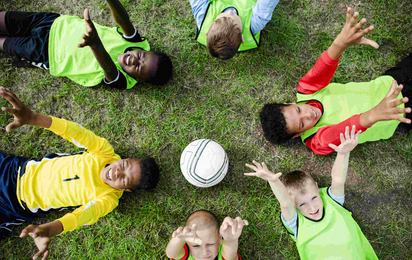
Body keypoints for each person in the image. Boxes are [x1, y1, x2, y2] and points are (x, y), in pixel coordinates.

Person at [0, 87, 160, 259]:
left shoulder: (108, 199)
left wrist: (49, 229)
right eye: (123, 165)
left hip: (13, 204)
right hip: (13, 169)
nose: (116, 173)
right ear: (124, 158)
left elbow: (79, 218)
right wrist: (34, 118)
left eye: (124, 179)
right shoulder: (104, 151)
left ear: (126, 190)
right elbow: (72, 131)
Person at [259, 8, 412, 155]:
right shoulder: (316, 141)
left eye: (298, 110)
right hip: (399, 115)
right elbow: (343, 130)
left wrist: (340, 42)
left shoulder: (306, 91)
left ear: (290, 103)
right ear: (297, 135)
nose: (308, 115)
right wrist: (374, 114)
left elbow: (323, 67)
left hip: (392, 83)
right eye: (302, 124)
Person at [245, 126, 378, 259]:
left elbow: (338, 180)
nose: (312, 207)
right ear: (294, 204)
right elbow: (285, 203)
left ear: (317, 187)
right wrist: (273, 181)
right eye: (302, 205)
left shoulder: (332, 201)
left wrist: (343, 153)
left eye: (314, 198)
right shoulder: (296, 223)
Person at [0, 0, 173, 89]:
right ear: (144, 50)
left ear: (138, 79)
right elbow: (123, 21)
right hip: (54, 23)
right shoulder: (138, 43)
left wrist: (95, 44)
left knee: (4, 43)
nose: (135, 59)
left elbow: (109, 70)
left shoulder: (125, 81)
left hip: (46, 53)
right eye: (142, 56)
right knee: (5, 18)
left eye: (139, 68)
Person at [189, 0, 280, 59]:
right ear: (242, 37)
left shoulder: (202, 17)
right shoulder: (254, 24)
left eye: (223, 16)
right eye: (234, 16)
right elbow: (267, 3)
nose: (229, 12)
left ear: (207, 31)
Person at [166, 210, 248, 260]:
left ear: (220, 238)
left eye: (210, 244)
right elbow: (171, 254)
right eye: (196, 246)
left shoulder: (222, 254)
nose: (205, 253)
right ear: (186, 242)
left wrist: (230, 240)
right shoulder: (186, 255)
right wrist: (179, 239)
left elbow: (230, 257)